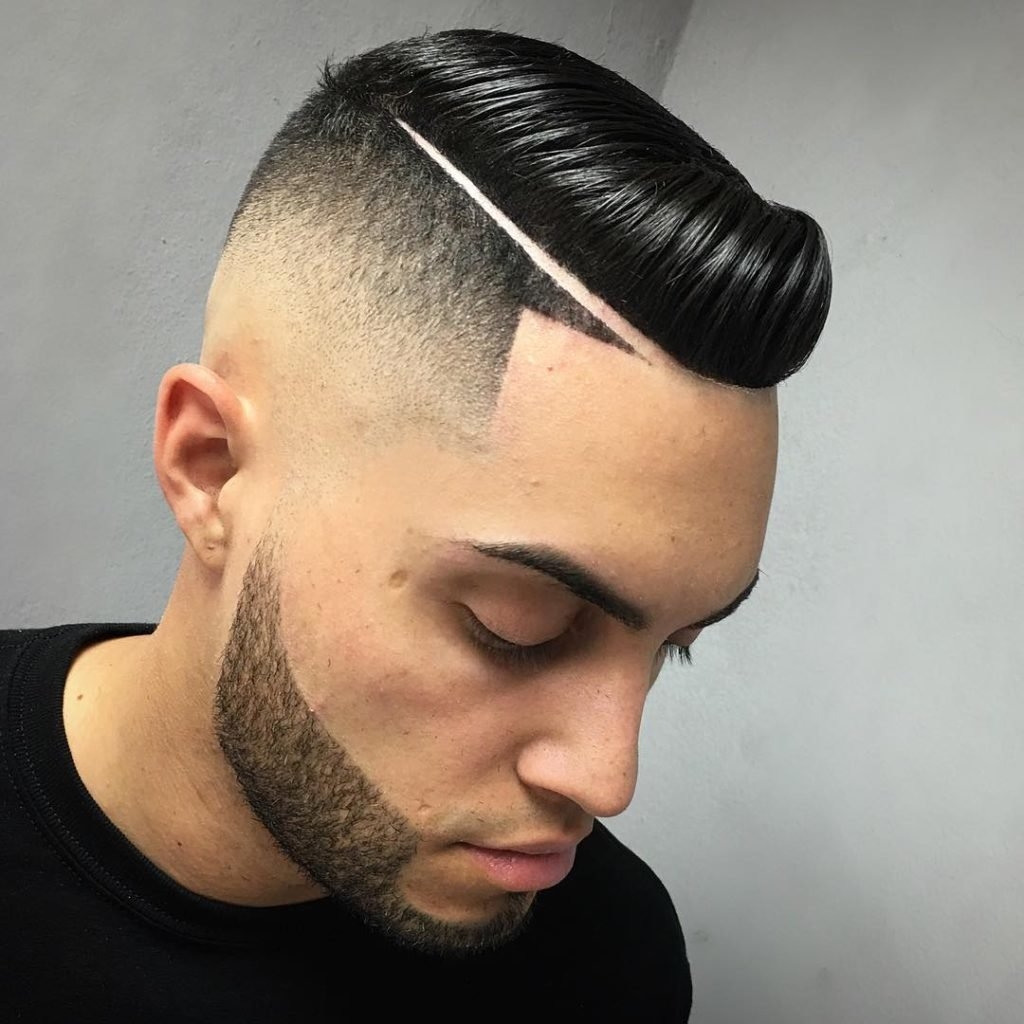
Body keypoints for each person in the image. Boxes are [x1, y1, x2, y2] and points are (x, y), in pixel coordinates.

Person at [0, 28, 830, 1022]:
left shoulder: (610, 957)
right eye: (515, 625)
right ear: (209, 469)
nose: (608, 780)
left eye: (674, 646)